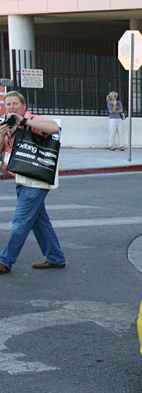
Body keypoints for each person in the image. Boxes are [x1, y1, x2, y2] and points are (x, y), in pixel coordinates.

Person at [0, 91, 67, 273]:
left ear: (24, 106)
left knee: (20, 222)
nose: (12, 107)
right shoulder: (6, 125)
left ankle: (5, 261)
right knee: (39, 221)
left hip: (36, 179)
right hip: (20, 177)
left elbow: (54, 128)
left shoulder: (33, 120)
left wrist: (24, 121)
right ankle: (55, 257)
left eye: (15, 104)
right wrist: (1, 134)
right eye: (8, 104)